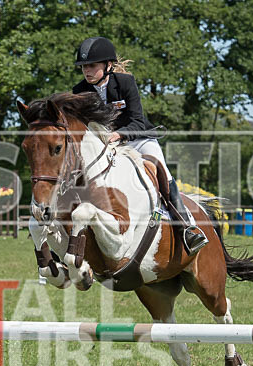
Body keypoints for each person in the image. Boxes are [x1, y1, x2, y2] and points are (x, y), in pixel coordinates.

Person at [72, 36, 208, 255]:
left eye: (91, 65)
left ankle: (187, 226)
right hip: (106, 147)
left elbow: (136, 120)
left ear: (108, 65)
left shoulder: (125, 83)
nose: (86, 70)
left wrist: (118, 135)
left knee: (162, 170)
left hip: (139, 139)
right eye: (83, 67)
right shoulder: (79, 92)